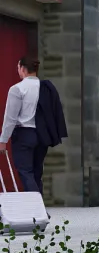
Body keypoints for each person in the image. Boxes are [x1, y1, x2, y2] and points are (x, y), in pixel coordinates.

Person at [0, 57, 63, 195]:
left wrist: (3, 140)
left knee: (25, 172)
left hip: (24, 135)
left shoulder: (17, 89)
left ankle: (37, 209)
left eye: (18, 68)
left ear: (22, 68)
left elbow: (10, 118)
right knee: (36, 173)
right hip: (42, 136)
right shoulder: (46, 87)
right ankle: (39, 208)